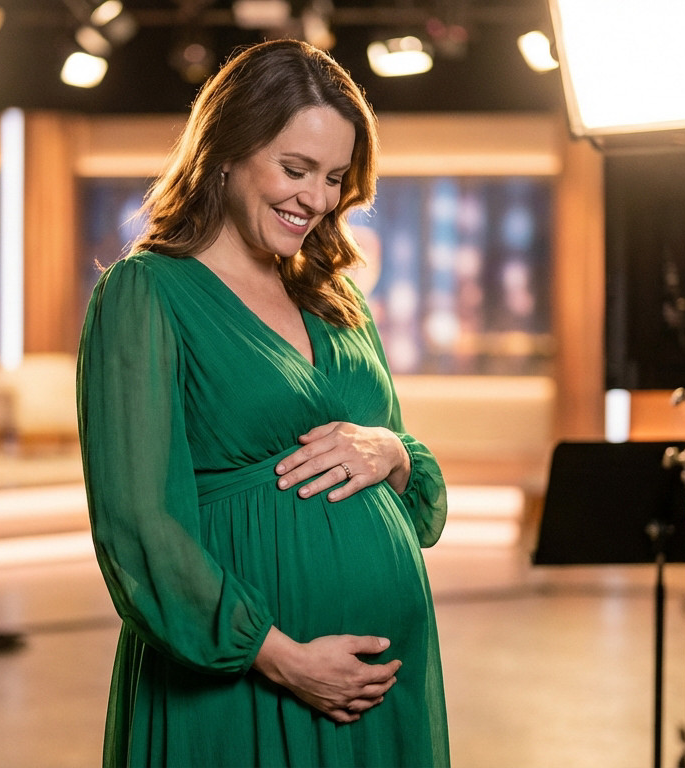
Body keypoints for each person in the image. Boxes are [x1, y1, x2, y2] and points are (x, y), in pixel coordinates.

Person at [76, 38, 450, 767]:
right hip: (243, 685)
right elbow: (139, 527)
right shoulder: (145, 294)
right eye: (295, 168)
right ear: (224, 152)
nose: (317, 198)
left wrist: (395, 454)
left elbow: (418, 492)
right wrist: (281, 658)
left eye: (336, 177)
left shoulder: (337, 299)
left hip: (380, 693)